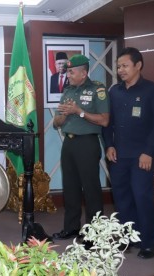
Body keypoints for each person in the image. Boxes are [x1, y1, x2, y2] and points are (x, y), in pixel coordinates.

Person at [102, 47, 154, 259]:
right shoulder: (114, 92)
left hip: (141, 156)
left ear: (138, 65)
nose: (121, 70)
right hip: (118, 155)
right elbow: (108, 123)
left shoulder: (153, 90)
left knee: (142, 196)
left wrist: (149, 151)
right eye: (118, 66)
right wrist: (109, 145)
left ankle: (149, 241)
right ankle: (127, 238)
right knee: (122, 198)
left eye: (125, 65)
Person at [52, 54, 109, 240]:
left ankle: (94, 234)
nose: (67, 75)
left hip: (87, 143)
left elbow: (104, 120)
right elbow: (56, 123)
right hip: (68, 143)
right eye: (67, 71)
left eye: (71, 72)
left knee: (91, 189)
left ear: (83, 73)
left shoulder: (97, 90)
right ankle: (71, 227)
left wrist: (79, 112)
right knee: (70, 188)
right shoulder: (68, 91)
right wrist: (64, 115)